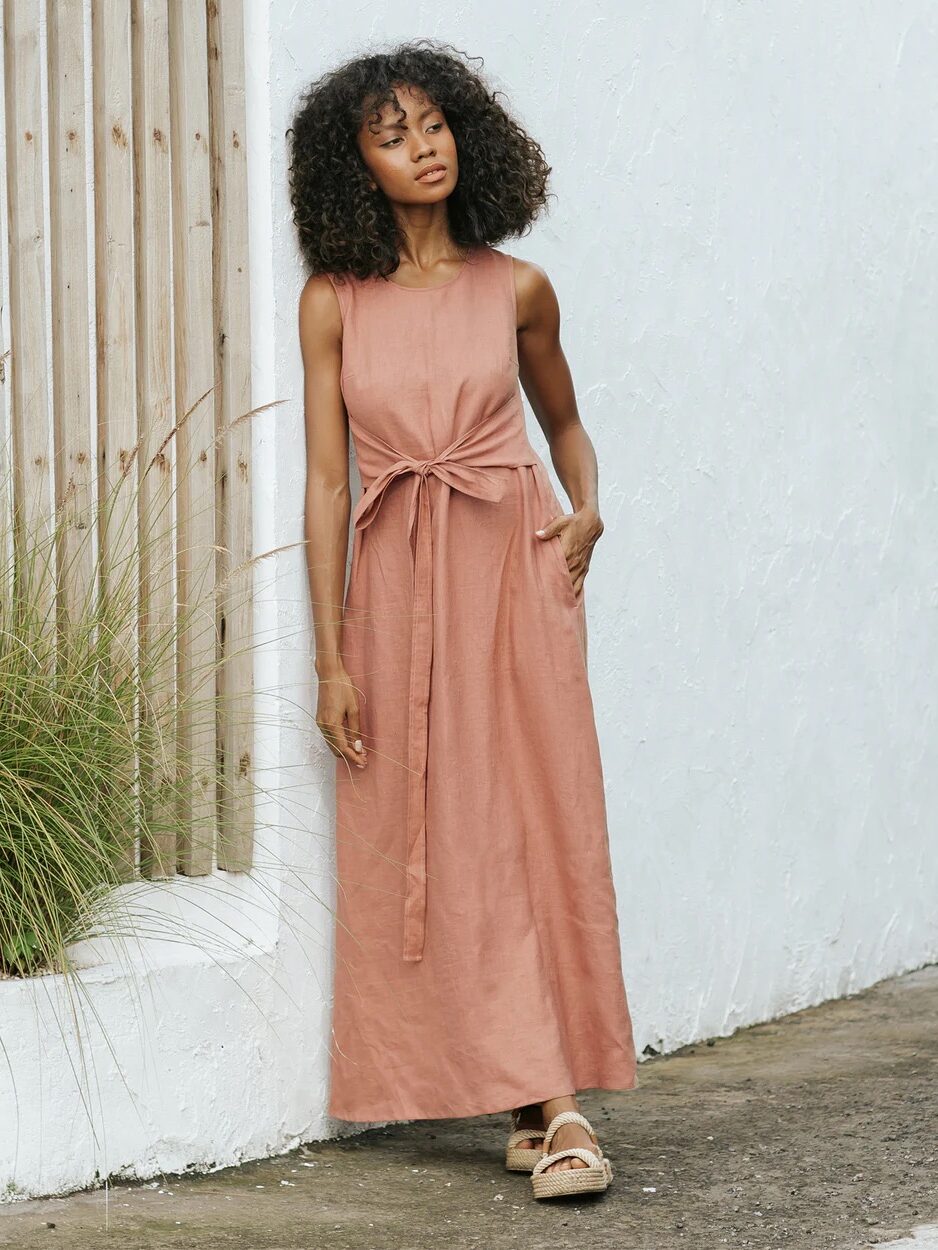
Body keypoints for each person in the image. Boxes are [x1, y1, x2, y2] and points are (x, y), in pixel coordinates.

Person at [289, 38, 638, 1200]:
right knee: (428, 837)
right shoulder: (332, 303)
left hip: (510, 572)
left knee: (527, 822)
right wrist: (332, 659)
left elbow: (565, 424)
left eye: (432, 124)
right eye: (391, 135)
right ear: (354, 169)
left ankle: (561, 1099)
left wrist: (586, 512)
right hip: (394, 588)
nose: (420, 147)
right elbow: (328, 485)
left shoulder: (518, 289)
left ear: (465, 134)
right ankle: (530, 1096)